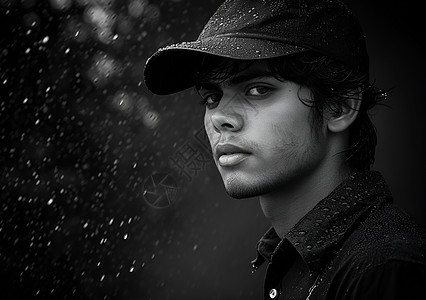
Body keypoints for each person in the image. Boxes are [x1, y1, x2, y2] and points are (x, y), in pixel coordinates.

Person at [143, 0, 426, 299]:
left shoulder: (383, 270)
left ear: (339, 106)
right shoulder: (299, 260)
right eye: (212, 97)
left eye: (258, 90)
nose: (220, 118)